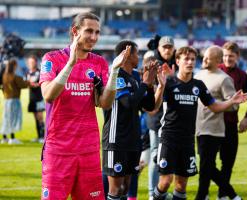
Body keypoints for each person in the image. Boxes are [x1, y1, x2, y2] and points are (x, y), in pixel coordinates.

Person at [39, 12, 130, 200]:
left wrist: (114, 72)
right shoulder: (52, 58)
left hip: (88, 149)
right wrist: (70, 64)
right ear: (75, 31)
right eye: (89, 31)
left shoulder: (99, 63)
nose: (94, 37)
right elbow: (48, 96)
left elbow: (104, 103)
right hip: (58, 149)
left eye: (97, 32)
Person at [152, 46, 247, 200]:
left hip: (188, 141)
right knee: (165, 182)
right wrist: (161, 87)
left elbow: (215, 107)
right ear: (177, 61)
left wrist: (232, 101)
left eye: (192, 59)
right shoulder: (169, 83)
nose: (190, 62)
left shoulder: (198, 85)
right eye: (186, 59)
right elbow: (154, 108)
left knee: (181, 185)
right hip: (169, 139)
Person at [102, 40, 160, 200]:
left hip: (133, 140)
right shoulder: (117, 77)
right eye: (137, 53)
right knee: (115, 189)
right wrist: (145, 83)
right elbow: (128, 103)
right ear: (127, 54)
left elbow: (148, 105)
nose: (139, 57)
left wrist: (149, 85)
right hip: (116, 140)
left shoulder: (133, 78)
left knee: (125, 187)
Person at [194, 45, 242, 200]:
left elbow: (233, 105)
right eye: (204, 56)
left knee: (206, 165)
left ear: (218, 60)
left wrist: (216, 106)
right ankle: (231, 195)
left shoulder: (224, 79)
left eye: (209, 58)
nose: (205, 59)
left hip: (214, 129)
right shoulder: (199, 75)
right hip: (199, 128)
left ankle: (204, 196)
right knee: (207, 166)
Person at [217, 42, 247, 199]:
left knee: (228, 163)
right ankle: (205, 192)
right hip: (213, 124)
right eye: (224, 55)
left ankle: (222, 194)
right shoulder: (214, 71)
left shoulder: (243, 76)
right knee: (207, 162)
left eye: (230, 56)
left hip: (231, 124)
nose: (227, 58)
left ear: (237, 56)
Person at [147, 35, 177, 199]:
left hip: (174, 118)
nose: (167, 50)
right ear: (158, 48)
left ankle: (162, 191)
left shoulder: (177, 63)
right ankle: (153, 193)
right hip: (156, 117)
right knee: (154, 155)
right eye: (164, 47)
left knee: (169, 155)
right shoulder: (152, 64)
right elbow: (148, 90)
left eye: (169, 47)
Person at [0, 58, 29, 144]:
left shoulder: (4, 76)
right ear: (14, 66)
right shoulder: (15, 76)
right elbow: (23, 85)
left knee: (6, 118)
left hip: (7, 100)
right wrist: (28, 82)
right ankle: (12, 138)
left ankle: (4, 137)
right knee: (13, 118)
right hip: (14, 100)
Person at [26, 54, 45, 143]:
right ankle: (38, 136)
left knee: (40, 118)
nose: (31, 64)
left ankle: (43, 136)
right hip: (32, 99)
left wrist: (31, 84)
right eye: (29, 62)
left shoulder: (39, 72)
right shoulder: (28, 73)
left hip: (39, 98)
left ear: (36, 63)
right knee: (35, 119)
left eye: (32, 62)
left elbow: (40, 84)